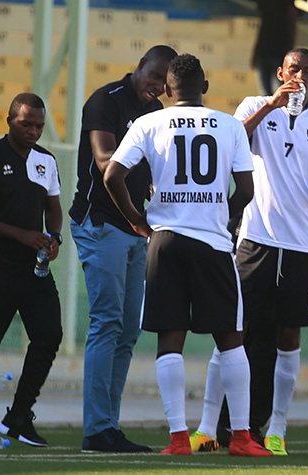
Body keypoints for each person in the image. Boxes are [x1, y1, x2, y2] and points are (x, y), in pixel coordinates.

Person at [103, 53, 271, 458]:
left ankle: (178, 438)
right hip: (212, 243)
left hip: (165, 241)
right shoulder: (229, 125)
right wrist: (221, 214)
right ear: (205, 87)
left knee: (170, 339)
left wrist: (137, 221)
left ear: (167, 88)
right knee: (232, 340)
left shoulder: (148, 122)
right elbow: (247, 191)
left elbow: (112, 175)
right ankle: (244, 438)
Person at [214, 48, 308, 456]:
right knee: (238, 328)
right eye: (293, 70)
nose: (300, 77)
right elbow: (231, 143)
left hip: (302, 244)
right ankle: (217, 426)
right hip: (255, 238)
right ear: (279, 72)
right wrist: (271, 104)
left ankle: (277, 428)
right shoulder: (255, 105)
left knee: (289, 334)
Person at [69, 45, 177, 453]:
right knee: (108, 323)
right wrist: (137, 213)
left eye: (165, 83)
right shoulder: (106, 100)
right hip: (102, 223)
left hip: (135, 228)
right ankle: (97, 430)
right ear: (140, 66)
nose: (157, 86)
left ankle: (108, 427)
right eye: (154, 76)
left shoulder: (156, 115)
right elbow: (103, 159)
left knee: (128, 330)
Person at [0, 93, 63, 449]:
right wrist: (21, 234)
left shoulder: (46, 161)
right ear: (9, 121)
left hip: (33, 270)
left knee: (50, 335)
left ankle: (17, 417)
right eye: (26, 124)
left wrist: (54, 238)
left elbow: (53, 208)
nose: (34, 131)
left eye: (39, 125)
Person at [252, 0, 297, 95]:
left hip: (280, 49)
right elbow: (262, 24)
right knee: (264, 93)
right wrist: (255, 51)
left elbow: (291, 18)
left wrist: (290, 47)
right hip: (264, 49)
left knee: (280, 91)